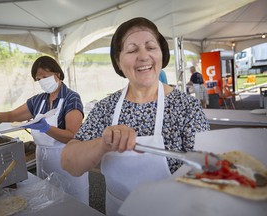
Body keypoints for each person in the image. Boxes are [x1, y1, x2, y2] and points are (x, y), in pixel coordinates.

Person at [61, 17, 209, 215]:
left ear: (162, 54)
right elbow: (70, 163)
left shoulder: (187, 107)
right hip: (119, 209)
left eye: (151, 47)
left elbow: (208, 172)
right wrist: (103, 143)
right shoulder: (106, 108)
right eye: (132, 50)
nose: (143, 56)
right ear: (118, 61)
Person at [0, 56, 89, 205]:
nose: (42, 81)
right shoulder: (38, 101)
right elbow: (12, 115)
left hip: (69, 160)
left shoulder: (71, 98)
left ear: (57, 73)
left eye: (45, 76)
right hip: (44, 159)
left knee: (74, 204)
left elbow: (73, 136)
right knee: (50, 202)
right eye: (38, 79)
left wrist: (46, 128)